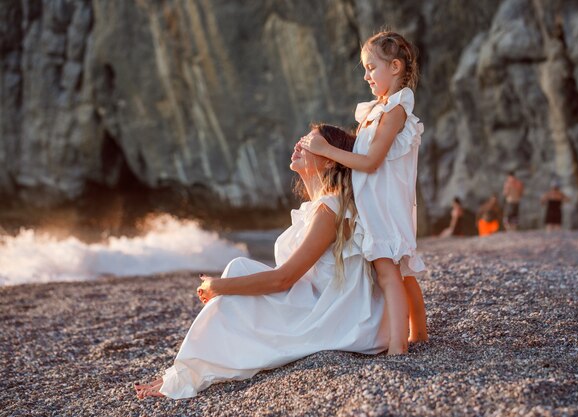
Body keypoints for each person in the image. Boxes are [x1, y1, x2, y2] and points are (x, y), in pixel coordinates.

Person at [133, 124, 389, 399]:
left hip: (338, 317)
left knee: (235, 277)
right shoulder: (320, 207)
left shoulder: (329, 209)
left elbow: (284, 278)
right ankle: (188, 371)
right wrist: (227, 285)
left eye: (308, 142)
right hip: (320, 302)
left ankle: (187, 374)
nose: (298, 145)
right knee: (240, 270)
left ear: (328, 159)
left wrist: (220, 287)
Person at [300, 31, 427, 353]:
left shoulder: (396, 108)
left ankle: (399, 346)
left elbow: (370, 162)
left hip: (384, 202)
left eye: (372, 67)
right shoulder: (377, 109)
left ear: (395, 67)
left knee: (388, 271)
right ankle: (419, 333)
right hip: (375, 199)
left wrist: (326, 148)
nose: (366, 75)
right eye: (365, 68)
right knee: (402, 269)